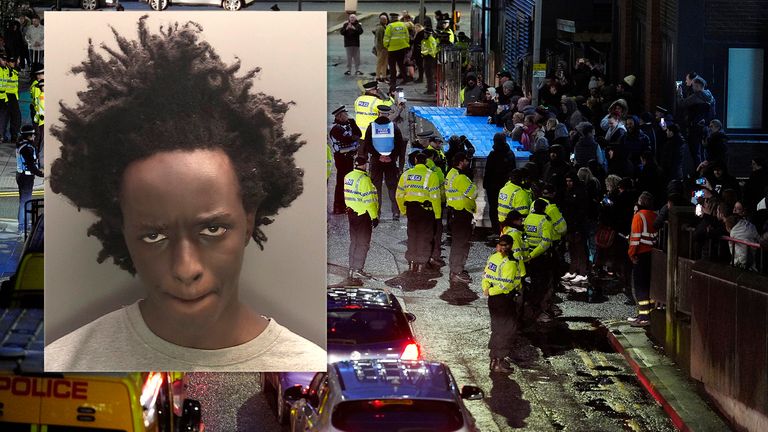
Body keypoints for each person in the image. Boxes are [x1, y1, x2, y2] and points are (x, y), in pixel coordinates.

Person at [45, 17, 326, 372]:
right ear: (123, 230)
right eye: (153, 235)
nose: (186, 269)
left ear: (249, 221)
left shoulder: (314, 373)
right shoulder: (62, 366)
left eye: (212, 230)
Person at [482, 234, 525, 373]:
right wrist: (492, 291)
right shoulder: (510, 263)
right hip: (504, 299)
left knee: (497, 328)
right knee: (506, 330)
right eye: (502, 245)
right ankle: (498, 362)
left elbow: (485, 277)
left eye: (504, 245)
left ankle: (493, 359)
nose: (502, 247)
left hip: (493, 300)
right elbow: (506, 286)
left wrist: (487, 290)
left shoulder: (493, 257)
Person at [359, 104, 406, 220]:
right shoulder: (394, 127)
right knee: (392, 187)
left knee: (376, 188)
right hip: (390, 162)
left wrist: (378, 156)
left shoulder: (371, 127)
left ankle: (377, 213)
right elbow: (399, 145)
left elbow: (368, 144)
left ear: (378, 113)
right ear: (388, 114)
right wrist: (391, 157)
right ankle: (396, 212)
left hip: (376, 161)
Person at [397, 151, 442, 273]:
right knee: (425, 236)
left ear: (415, 161)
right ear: (426, 161)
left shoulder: (406, 175)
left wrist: (403, 210)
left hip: (411, 210)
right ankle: (422, 263)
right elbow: (435, 197)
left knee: (412, 235)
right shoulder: (432, 176)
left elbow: (399, 195)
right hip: (426, 211)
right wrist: (437, 215)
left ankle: (411, 262)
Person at [344, 156, 379, 285]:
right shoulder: (364, 180)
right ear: (365, 165)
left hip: (352, 213)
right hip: (363, 215)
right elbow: (369, 201)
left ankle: (351, 268)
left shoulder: (348, 177)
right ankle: (358, 269)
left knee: (354, 241)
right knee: (363, 243)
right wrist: (374, 217)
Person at [627, 192, 658, 327]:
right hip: (653, 254)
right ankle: (647, 313)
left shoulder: (639, 216)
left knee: (640, 286)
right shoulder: (655, 216)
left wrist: (631, 254)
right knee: (648, 285)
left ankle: (643, 316)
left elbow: (635, 239)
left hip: (641, 254)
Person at [445, 152, 476, 283]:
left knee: (457, 242)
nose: (468, 163)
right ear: (461, 162)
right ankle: (457, 271)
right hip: (462, 213)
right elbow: (473, 193)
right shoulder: (460, 177)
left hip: (454, 212)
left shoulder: (451, 174)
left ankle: (455, 268)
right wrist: (471, 182)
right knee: (461, 243)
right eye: (466, 161)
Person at [524, 199, 555, 323]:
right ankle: (538, 311)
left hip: (528, 255)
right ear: (544, 209)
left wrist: (529, 254)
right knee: (541, 284)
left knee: (531, 282)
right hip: (540, 257)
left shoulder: (528, 218)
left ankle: (529, 308)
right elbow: (546, 242)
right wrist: (534, 254)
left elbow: (524, 236)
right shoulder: (545, 221)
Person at [329, 105, 362, 214]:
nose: (347, 116)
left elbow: (359, 134)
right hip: (341, 158)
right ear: (339, 117)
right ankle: (338, 206)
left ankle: (346, 204)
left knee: (347, 182)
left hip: (349, 157)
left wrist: (354, 124)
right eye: (345, 115)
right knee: (341, 182)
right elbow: (349, 139)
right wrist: (354, 137)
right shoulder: (336, 129)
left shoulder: (347, 126)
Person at [483, 133, 516, 235]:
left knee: (494, 209)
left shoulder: (493, 155)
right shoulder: (510, 154)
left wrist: (486, 185)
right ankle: (504, 231)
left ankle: (496, 231)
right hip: (504, 187)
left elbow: (488, 171)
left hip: (493, 188)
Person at [16, 125, 43, 234]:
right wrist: (41, 174)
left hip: (20, 175)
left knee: (22, 201)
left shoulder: (21, 145)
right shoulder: (27, 148)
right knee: (26, 202)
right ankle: (23, 227)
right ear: (29, 135)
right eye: (33, 134)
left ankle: (21, 225)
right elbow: (31, 165)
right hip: (26, 177)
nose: (34, 136)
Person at [383, 12, 411, 92]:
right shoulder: (403, 25)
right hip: (402, 48)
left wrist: (386, 45)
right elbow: (407, 36)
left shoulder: (390, 26)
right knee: (401, 64)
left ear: (391, 19)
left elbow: (386, 38)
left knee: (392, 66)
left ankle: (393, 81)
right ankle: (405, 78)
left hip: (392, 49)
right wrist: (406, 44)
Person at [420, 26, 438, 95]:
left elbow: (433, 51)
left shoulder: (431, 40)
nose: (425, 35)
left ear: (429, 34)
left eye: (426, 33)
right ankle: (429, 89)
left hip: (430, 59)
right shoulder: (425, 40)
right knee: (428, 75)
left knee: (430, 75)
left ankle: (431, 90)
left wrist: (427, 54)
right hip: (426, 58)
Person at [373, 13, 389, 82]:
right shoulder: (380, 28)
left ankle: (384, 76)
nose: (386, 20)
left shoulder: (383, 27)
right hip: (382, 48)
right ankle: (378, 76)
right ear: (381, 20)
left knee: (384, 62)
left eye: (386, 19)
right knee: (380, 62)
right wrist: (381, 48)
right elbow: (379, 40)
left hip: (384, 48)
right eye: (384, 19)